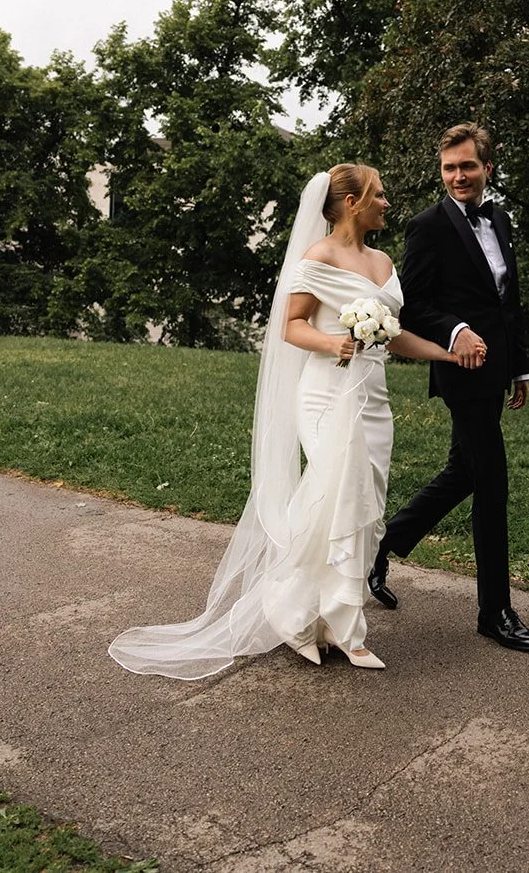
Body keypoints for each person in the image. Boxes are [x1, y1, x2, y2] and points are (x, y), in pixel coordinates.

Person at [108, 164, 463, 678]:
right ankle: (320, 624)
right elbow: (291, 326)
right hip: (326, 393)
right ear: (351, 202)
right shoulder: (318, 257)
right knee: (334, 501)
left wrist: (446, 354)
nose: (387, 203)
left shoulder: (384, 261)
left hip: (373, 397)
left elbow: (396, 334)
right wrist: (334, 343)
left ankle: (324, 621)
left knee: (365, 507)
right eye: (379, 195)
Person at [371, 123, 529, 653]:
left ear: (487, 168)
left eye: (468, 166)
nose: (458, 176)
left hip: (497, 370)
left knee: (463, 472)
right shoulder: (427, 227)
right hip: (460, 372)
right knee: (491, 483)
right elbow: (412, 306)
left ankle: (379, 547)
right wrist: (456, 330)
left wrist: (519, 367)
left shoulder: (500, 218)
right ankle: (495, 612)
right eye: (449, 168)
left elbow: (508, 299)